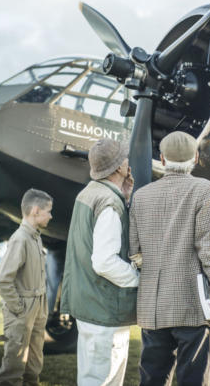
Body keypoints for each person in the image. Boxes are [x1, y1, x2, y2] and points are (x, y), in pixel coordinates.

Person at [129, 131, 210, 386]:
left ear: (162, 159)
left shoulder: (140, 196)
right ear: (196, 158)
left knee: (152, 380)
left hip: (152, 307)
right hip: (193, 305)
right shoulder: (206, 190)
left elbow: (135, 252)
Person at [60, 138, 139, 386]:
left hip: (91, 303)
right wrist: (141, 279)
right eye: (125, 157)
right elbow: (104, 262)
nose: (129, 161)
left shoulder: (90, 193)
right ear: (117, 167)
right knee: (103, 380)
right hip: (104, 308)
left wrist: (124, 198)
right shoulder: (108, 203)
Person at [0, 188, 53, 386]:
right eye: (48, 211)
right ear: (35, 210)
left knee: (33, 367)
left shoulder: (36, 237)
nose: (51, 216)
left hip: (37, 309)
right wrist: (19, 308)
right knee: (13, 369)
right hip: (23, 310)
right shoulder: (21, 239)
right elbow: (1, 279)